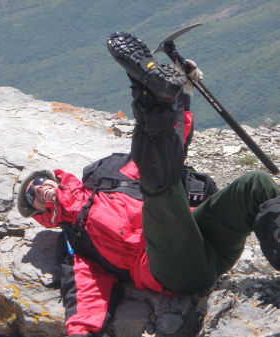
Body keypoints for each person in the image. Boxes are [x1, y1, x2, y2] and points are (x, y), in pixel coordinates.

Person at [16, 32, 280, 337]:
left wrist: (185, 95)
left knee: (254, 184)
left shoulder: (105, 177)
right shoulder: (77, 243)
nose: (38, 188)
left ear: (53, 176)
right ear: (40, 215)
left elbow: (166, 150)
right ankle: (146, 94)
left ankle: (154, 93)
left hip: (202, 237)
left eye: (38, 180)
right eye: (32, 196)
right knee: (159, 192)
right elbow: (86, 298)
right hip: (174, 270)